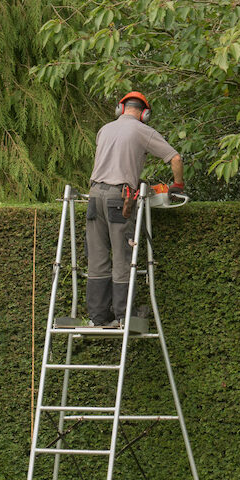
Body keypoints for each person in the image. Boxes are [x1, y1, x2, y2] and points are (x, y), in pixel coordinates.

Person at [81, 90, 183, 329]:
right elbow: (175, 158)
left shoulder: (104, 129)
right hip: (120, 198)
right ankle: (123, 315)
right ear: (145, 113)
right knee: (123, 258)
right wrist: (177, 186)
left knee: (97, 257)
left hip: (94, 196)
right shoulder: (142, 131)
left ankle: (98, 317)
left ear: (120, 108)